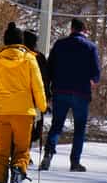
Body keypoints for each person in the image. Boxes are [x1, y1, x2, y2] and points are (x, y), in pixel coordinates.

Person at [0, 21, 48, 183]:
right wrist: (42, 107)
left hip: (0, 112)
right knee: (21, 151)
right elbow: (38, 86)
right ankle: (16, 182)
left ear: (6, 42)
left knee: (2, 153)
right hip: (23, 113)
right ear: (21, 42)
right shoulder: (30, 59)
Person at [39, 18, 101, 172]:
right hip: (81, 93)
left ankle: (48, 156)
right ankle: (75, 162)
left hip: (60, 91)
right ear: (84, 30)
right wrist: (92, 81)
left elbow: (49, 68)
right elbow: (96, 73)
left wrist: (50, 89)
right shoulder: (91, 47)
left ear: (71, 29)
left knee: (56, 126)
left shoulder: (59, 44)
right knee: (79, 128)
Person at [23, 29, 52, 149]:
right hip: (34, 97)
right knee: (33, 127)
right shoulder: (39, 57)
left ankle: (19, 152)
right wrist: (46, 97)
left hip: (18, 96)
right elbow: (45, 80)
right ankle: (23, 153)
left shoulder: (17, 56)